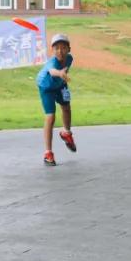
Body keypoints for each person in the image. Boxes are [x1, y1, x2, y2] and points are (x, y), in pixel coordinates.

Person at [36, 33, 76, 167]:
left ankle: (66, 133)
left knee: (67, 107)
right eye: (57, 48)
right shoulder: (52, 62)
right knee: (51, 117)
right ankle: (48, 153)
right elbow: (53, 71)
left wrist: (62, 78)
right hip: (46, 86)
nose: (60, 51)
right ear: (52, 51)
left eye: (63, 47)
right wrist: (60, 74)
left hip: (60, 84)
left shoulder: (70, 59)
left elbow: (64, 70)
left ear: (68, 49)